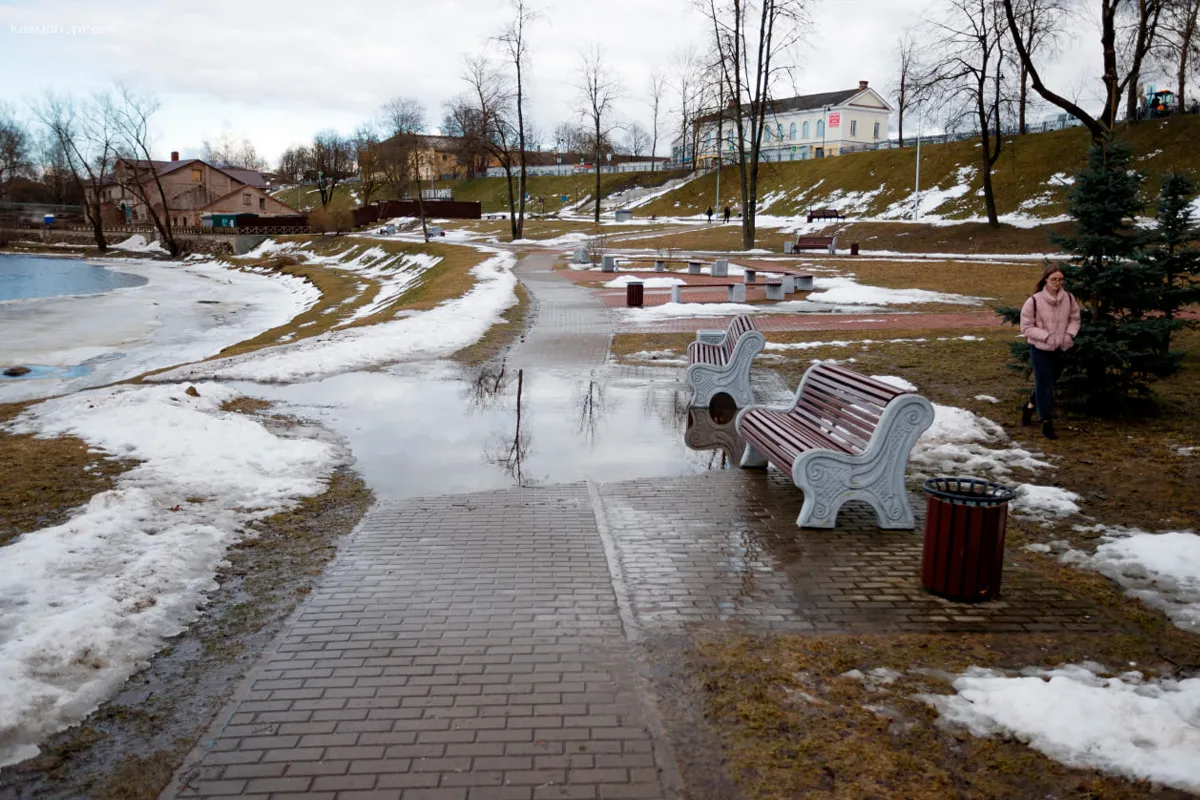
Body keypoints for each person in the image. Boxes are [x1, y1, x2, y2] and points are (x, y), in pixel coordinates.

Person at [1019, 265, 1080, 440]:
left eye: (1060, 279)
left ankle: (1030, 406)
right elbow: (1026, 327)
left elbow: (1074, 318)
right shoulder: (1034, 301)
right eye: (1053, 279)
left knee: (1049, 383)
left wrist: (1069, 335)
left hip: (1061, 347)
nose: (1057, 282)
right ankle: (1046, 422)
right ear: (1046, 279)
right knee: (1045, 386)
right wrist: (1046, 336)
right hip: (1040, 349)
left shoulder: (1068, 298)